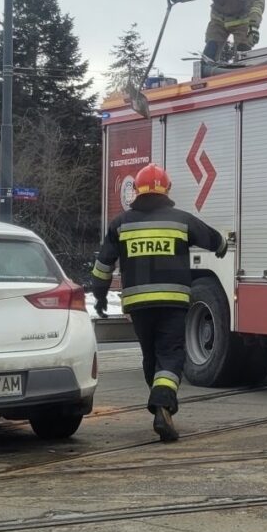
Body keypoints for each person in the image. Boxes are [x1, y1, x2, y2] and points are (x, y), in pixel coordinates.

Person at [90, 163, 226, 442]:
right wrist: (222, 246)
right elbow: (212, 239)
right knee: (171, 354)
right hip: (173, 303)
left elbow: (103, 264)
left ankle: (160, 400)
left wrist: (100, 295)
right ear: (167, 190)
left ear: (136, 192)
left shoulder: (121, 224)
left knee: (151, 357)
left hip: (139, 306)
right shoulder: (180, 219)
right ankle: (163, 404)